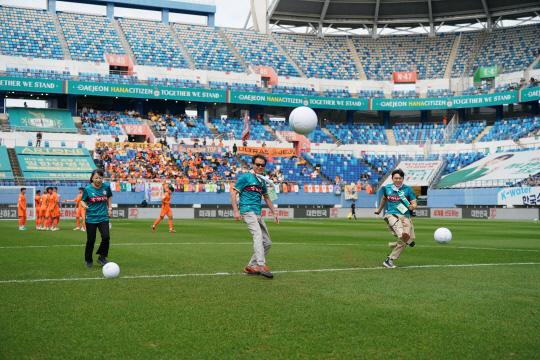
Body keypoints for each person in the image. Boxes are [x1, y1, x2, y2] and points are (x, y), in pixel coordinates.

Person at [231, 154, 279, 279]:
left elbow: (267, 197)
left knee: (267, 242)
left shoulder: (262, 180)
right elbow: (233, 193)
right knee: (257, 235)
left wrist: (274, 212)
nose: (259, 167)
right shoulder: (245, 177)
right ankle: (260, 264)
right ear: (252, 164)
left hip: (257, 213)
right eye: (257, 164)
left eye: (262, 165)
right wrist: (236, 211)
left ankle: (250, 266)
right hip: (247, 210)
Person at [374, 169, 417, 269]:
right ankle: (405, 239)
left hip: (406, 216)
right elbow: (384, 199)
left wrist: (413, 207)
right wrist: (379, 210)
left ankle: (389, 259)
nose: (398, 180)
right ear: (392, 179)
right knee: (402, 234)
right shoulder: (387, 188)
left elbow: (414, 202)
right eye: (396, 178)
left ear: (403, 179)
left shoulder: (408, 189)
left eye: (400, 178)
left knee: (403, 241)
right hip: (392, 214)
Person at [80, 169, 113, 268]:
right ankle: (88, 261)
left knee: (106, 237)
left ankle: (102, 257)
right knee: (91, 240)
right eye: (96, 178)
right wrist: (84, 206)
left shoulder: (106, 187)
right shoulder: (87, 189)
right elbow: (82, 201)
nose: (98, 180)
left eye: (100, 177)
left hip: (103, 217)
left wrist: (110, 209)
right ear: (92, 178)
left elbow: (109, 197)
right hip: (91, 218)